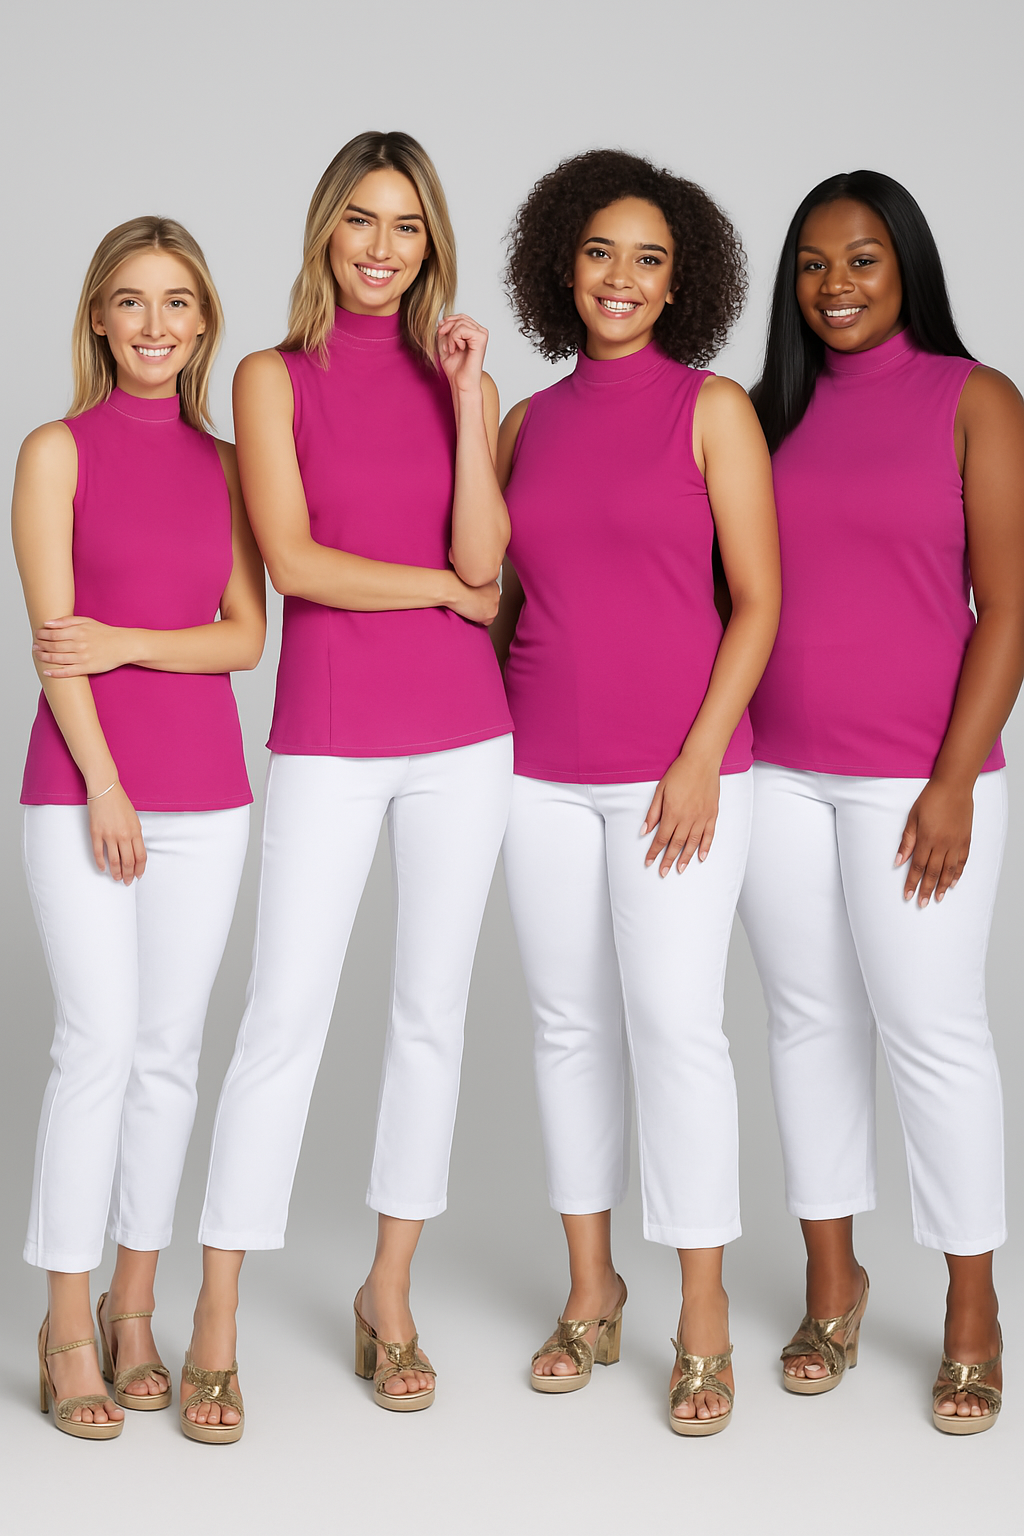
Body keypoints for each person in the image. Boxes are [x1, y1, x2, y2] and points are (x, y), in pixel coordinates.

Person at [188, 131, 513, 1438]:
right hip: (329, 730)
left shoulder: (453, 383)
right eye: (362, 223)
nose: (384, 251)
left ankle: (390, 1293)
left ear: (432, 241)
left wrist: (479, 406)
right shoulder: (271, 377)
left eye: (410, 228)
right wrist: (440, 587)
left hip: (464, 738)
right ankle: (215, 1312)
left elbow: (486, 556)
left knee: (431, 1020)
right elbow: (298, 561)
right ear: (327, 230)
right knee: (284, 1018)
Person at [492, 149, 780, 1434]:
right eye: (600, 251)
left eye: (648, 258)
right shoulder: (523, 424)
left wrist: (703, 753)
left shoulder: (711, 411)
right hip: (534, 772)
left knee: (675, 1027)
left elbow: (760, 602)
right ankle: (591, 1287)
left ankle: (702, 1313)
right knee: (565, 1029)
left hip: (682, 777)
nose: (620, 277)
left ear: (683, 285)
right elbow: (497, 608)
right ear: (565, 266)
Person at [739, 170, 1024, 1433]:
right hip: (775, 771)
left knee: (931, 1028)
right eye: (810, 263)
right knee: (806, 1026)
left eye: (860, 258)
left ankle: (972, 1305)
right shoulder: (764, 417)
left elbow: (1010, 607)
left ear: (905, 264)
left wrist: (955, 778)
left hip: (918, 777)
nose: (835, 284)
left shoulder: (974, 400)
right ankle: (832, 1277)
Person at [13, 216, 266, 1440]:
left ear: (203, 323)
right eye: (132, 302)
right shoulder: (53, 452)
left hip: (210, 795)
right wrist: (106, 782)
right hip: (87, 787)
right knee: (96, 1045)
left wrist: (134, 644)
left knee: (169, 1055)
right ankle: (66, 1323)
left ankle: (134, 1307)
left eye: (178, 304)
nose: (156, 326)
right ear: (99, 320)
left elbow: (243, 637)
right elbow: (55, 644)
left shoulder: (225, 465)